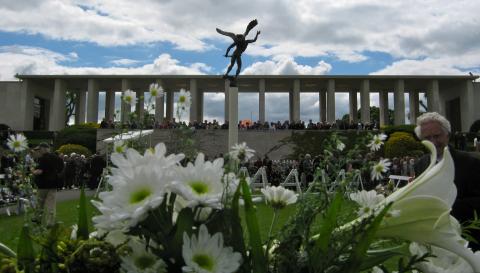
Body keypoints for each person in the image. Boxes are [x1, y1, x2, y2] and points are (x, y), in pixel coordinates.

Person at [414, 112, 480, 250]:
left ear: (447, 135)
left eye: (437, 136)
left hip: (465, 238)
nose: (433, 142)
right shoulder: (420, 164)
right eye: (427, 138)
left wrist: (445, 207)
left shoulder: (470, 163)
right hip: (433, 239)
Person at [32, 143, 64, 225]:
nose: (38, 151)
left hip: (43, 184)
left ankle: (37, 218)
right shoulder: (57, 158)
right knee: (51, 204)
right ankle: (50, 222)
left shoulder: (43, 159)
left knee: (40, 203)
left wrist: (32, 171)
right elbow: (61, 169)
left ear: (44, 149)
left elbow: (40, 171)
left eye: (39, 149)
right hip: (53, 184)